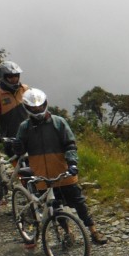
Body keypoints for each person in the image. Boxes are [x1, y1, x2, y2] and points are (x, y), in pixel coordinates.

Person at [14, 88, 108, 246]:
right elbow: (20, 151)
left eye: (40, 106)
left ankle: (93, 231)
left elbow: (70, 144)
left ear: (45, 104)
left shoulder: (58, 122)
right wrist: (16, 145)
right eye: (33, 107)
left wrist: (72, 163)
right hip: (43, 177)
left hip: (64, 174)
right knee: (55, 208)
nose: (37, 110)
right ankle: (67, 232)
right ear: (27, 108)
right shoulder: (25, 127)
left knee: (79, 204)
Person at [0, 61, 29, 142]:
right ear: (3, 77)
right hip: (11, 137)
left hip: (29, 132)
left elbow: (35, 107)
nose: (14, 79)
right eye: (10, 76)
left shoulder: (24, 89)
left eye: (16, 75)